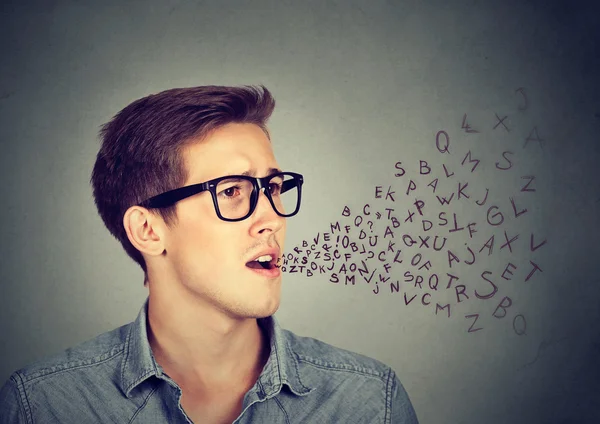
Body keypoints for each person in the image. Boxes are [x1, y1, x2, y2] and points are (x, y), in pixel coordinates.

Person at [0, 85, 418, 423]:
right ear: (147, 230)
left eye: (272, 188)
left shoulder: (368, 402)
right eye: (232, 191)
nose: (271, 218)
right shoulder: (42, 405)